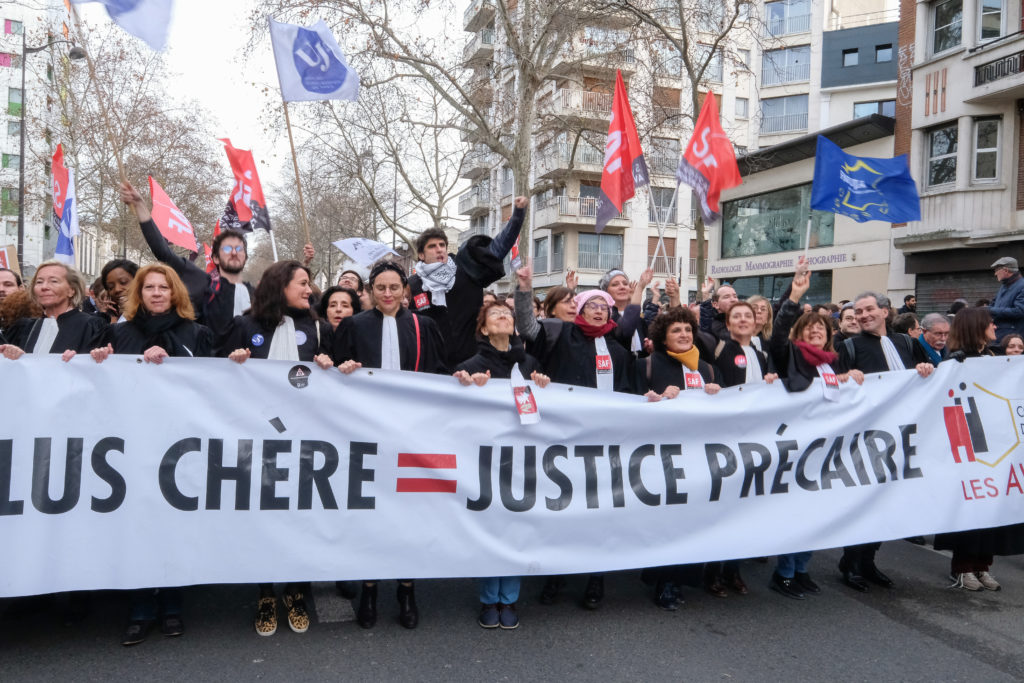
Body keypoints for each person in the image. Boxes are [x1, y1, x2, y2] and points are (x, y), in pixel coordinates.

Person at [89, 264, 213, 645]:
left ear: (175, 293)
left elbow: (212, 387)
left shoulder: (197, 334)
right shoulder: (118, 334)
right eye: (149, 288)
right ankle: (140, 608)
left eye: (164, 287)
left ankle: (172, 605)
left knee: (172, 525)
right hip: (132, 445)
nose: (157, 293)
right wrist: (98, 362)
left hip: (179, 445)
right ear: (138, 294)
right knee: (137, 526)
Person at [334, 261, 446, 631]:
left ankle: (406, 588)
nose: (387, 294)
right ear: (369, 290)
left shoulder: (424, 326)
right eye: (380, 287)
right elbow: (332, 373)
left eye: (394, 287)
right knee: (371, 514)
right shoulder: (353, 325)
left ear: (405, 290)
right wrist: (340, 367)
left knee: (409, 515)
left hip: (413, 433)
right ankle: (369, 587)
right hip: (366, 433)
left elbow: (439, 374)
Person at [514, 265, 633, 609]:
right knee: (562, 511)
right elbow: (526, 326)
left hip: (606, 447)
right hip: (562, 443)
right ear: (579, 310)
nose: (599, 310)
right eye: (592, 305)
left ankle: (596, 579)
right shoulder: (557, 333)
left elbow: (631, 395)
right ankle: (555, 575)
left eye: (605, 306)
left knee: (600, 513)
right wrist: (524, 289)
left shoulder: (620, 352)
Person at [453, 301, 550, 630]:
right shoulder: (471, 365)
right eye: (496, 314)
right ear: (483, 328)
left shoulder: (530, 363)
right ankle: (488, 597)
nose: (504, 317)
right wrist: (465, 385)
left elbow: (552, 406)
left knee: (516, 529)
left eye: (508, 314)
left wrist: (545, 387)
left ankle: (509, 598)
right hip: (487, 459)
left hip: (524, 457)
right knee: (491, 527)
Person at [767, 268, 864, 600]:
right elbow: (777, 334)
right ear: (800, 334)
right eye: (809, 329)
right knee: (796, 512)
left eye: (820, 328)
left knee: (818, 512)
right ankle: (785, 573)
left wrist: (853, 379)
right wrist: (794, 297)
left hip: (827, 447)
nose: (815, 332)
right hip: (798, 445)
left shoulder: (833, 363)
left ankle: (803, 568)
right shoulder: (789, 354)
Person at [835, 291, 934, 592]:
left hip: (902, 435)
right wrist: (844, 378)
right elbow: (834, 386)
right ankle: (850, 562)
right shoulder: (848, 346)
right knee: (864, 500)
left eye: (868, 310)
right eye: (858, 311)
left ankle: (869, 560)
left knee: (886, 501)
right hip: (866, 437)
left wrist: (926, 369)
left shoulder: (907, 343)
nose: (863, 315)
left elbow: (930, 376)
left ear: (885, 311)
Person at [934, 307, 1024, 591]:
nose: (995, 327)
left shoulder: (992, 358)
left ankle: (983, 566)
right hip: (969, 446)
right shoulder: (958, 361)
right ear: (976, 327)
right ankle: (962, 569)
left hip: (996, 444)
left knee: (991, 511)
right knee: (970, 510)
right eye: (989, 323)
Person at [120, 181, 254, 343]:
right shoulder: (198, 279)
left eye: (239, 249)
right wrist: (140, 204)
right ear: (215, 257)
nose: (234, 252)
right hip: (201, 362)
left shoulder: (258, 295)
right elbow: (162, 250)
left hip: (244, 364)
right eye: (227, 249)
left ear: (246, 256)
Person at [705, 300, 778, 597]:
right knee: (720, 508)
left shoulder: (762, 352)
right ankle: (711, 574)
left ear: (757, 321)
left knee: (744, 507)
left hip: (754, 438)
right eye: (737, 316)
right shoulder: (718, 348)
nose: (744, 320)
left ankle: (732, 571)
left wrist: (771, 380)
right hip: (724, 437)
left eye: (749, 315)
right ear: (729, 321)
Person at [407, 196, 527, 369]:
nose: (439, 249)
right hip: (430, 368)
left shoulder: (465, 269)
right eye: (432, 246)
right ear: (421, 255)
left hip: (471, 366)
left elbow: (497, 249)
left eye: (442, 245)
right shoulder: (412, 285)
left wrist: (517, 216)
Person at [1, 261, 107, 360]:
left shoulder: (91, 326)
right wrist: (13, 356)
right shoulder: (23, 327)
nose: (44, 287)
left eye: (54, 281)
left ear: (72, 290)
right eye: (39, 282)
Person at [989, 257, 1024, 340]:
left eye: (996, 270)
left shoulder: (1022, 286)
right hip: (1000, 335)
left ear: (1006, 270)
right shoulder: (1004, 286)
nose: (995, 273)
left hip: (1013, 339)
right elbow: (993, 304)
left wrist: (990, 310)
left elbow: (1019, 311)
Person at [699, 277, 739, 342]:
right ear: (716, 305)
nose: (733, 300)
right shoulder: (713, 327)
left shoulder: (745, 322)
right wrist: (705, 296)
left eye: (735, 296)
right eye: (726, 297)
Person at [101, 259, 139, 324]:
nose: (117, 289)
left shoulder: (152, 313)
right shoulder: (109, 319)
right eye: (111, 287)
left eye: (123, 282)